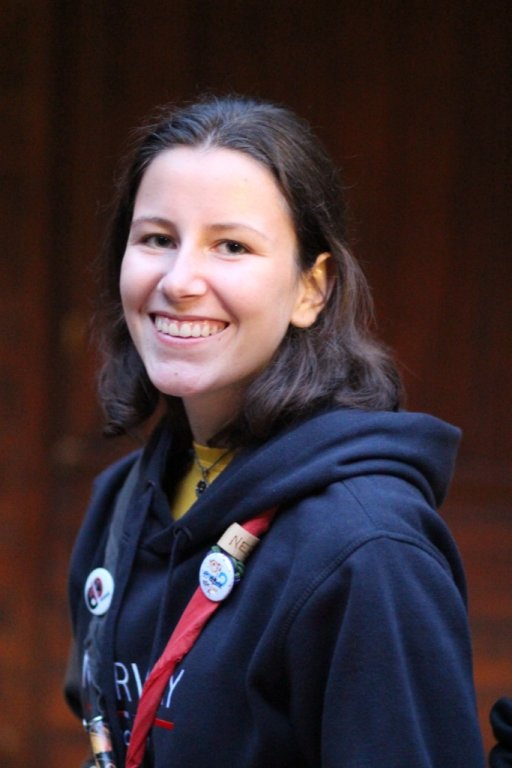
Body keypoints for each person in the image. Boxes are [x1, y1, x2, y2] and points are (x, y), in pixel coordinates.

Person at [65, 94, 485, 767]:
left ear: (311, 289)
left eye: (231, 246)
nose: (179, 280)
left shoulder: (365, 548)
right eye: (157, 239)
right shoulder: (121, 507)